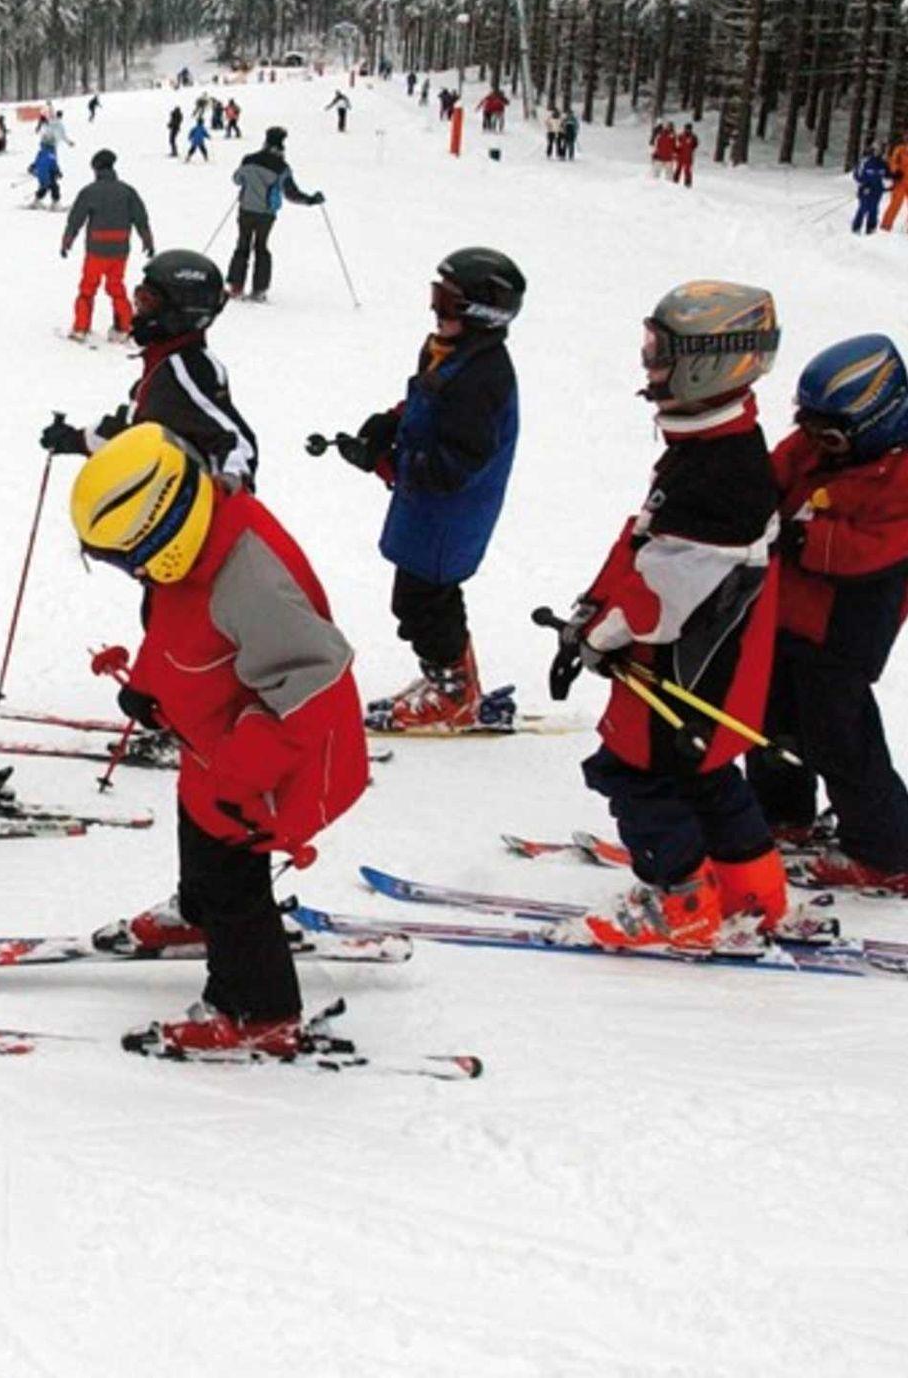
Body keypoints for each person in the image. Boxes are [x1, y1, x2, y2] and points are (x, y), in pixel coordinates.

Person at [68, 423, 369, 1058]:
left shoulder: (249, 578)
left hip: (273, 767)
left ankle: (257, 1010)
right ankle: (199, 913)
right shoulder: (199, 543)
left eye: (125, 557)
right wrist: (148, 686)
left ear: (162, 532)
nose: (130, 571)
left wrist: (243, 772)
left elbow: (314, 681)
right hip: (215, 749)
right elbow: (179, 626)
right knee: (197, 829)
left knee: (234, 879)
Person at [548, 281, 787, 948]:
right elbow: (650, 547)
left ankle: (680, 901)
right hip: (715, 670)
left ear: (708, 364)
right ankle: (755, 891)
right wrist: (593, 610)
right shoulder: (718, 448)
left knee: (636, 772)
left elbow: (659, 599)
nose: (648, 365)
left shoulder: (718, 476)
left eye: (661, 352)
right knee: (702, 770)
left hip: (682, 670)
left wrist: (598, 635)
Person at [334, 250, 524, 730]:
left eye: (447, 303)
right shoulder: (450, 351)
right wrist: (389, 424)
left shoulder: (483, 377)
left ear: (481, 314)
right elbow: (426, 399)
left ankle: (454, 691)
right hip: (430, 509)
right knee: (428, 596)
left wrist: (390, 461)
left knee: (422, 601)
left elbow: (456, 462)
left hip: (451, 513)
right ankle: (452, 676)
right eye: (435, 297)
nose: (435, 311)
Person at [746, 335, 908, 893]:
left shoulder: (898, 475)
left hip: (846, 629)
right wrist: (746, 498)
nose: (815, 442)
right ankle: (781, 814)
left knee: (839, 737)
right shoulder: (815, 449)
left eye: (829, 436)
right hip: (786, 613)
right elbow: (776, 471)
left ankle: (886, 852)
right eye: (808, 427)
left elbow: (875, 549)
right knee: (768, 718)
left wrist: (802, 538)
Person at [41, 249, 257, 487]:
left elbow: (236, 442)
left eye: (148, 303)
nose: (138, 314)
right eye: (139, 300)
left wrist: (230, 481)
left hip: (186, 503)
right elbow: (133, 432)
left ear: (181, 312)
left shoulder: (188, 369)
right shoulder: (162, 364)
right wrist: (75, 440)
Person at [60, 149, 154, 344]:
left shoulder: (89, 192)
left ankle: (81, 328)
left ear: (96, 168)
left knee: (88, 288)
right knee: (116, 287)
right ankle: (124, 327)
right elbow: (141, 218)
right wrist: (147, 241)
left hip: (96, 250)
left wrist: (67, 242)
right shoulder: (127, 191)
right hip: (120, 250)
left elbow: (75, 219)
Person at [226, 126, 323, 302]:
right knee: (261, 248)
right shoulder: (282, 168)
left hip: (246, 210)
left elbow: (237, 179)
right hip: (266, 214)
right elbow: (291, 193)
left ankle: (236, 286)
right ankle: (259, 290)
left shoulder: (248, 159)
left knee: (242, 246)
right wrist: (311, 200)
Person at [853, 147, 891, 234]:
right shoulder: (864, 162)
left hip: (877, 190)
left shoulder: (883, 163)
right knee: (863, 208)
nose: (877, 153)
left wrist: (891, 182)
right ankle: (856, 227)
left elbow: (887, 176)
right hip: (866, 190)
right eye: (876, 151)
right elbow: (857, 175)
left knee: (874, 209)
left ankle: (871, 228)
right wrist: (864, 184)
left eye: (879, 151)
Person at [28, 137, 62, 209]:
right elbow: (52, 165)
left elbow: (38, 162)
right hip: (49, 174)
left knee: (44, 188)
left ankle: (37, 201)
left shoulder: (42, 152)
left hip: (43, 174)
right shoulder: (50, 154)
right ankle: (55, 203)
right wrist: (57, 171)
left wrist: (33, 167)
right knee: (54, 187)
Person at [884, 134, 908, 229]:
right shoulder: (900, 149)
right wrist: (896, 170)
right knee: (895, 205)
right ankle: (886, 225)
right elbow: (893, 161)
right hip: (900, 181)